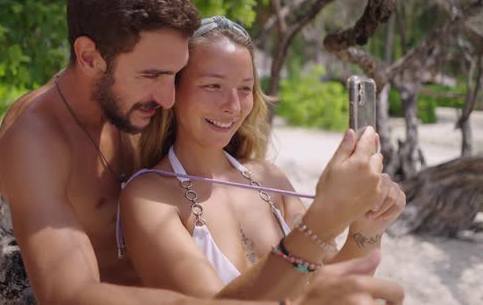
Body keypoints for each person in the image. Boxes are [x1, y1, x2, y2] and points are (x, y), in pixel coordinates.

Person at [0, 0, 404, 304]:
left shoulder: (140, 111)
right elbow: (69, 295)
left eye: (176, 75)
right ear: (89, 57)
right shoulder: (37, 139)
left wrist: (362, 230)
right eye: (153, 74)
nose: (169, 97)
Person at [120, 16, 406, 302]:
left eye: (245, 89)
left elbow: (333, 286)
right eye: (213, 86)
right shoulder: (149, 197)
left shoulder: (269, 178)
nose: (232, 106)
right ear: (174, 90)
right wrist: (323, 217)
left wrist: (367, 228)